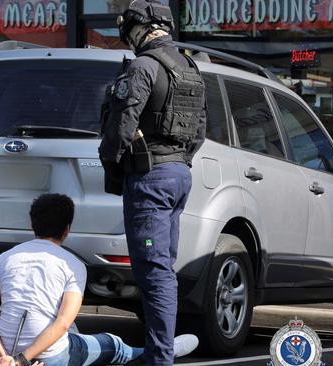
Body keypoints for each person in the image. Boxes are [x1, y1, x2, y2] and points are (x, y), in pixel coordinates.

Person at [98, 1, 207, 365]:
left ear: (139, 28)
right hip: (178, 176)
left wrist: (111, 165)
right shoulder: (189, 66)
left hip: (150, 180)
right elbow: (200, 131)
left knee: (153, 272)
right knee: (164, 268)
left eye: (128, 30)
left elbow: (121, 127)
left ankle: (159, 358)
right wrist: (177, 161)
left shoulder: (144, 67)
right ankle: (160, 351)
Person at [0, 194, 199, 366]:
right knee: (112, 345)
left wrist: (6, 358)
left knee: (70, 328)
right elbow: (61, 323)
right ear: (67, 229)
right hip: (48, 357)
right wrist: (22, 361)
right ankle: (165, 351)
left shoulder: (6, 257)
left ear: (32, 225)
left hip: (5, 353)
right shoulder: (73, 264)